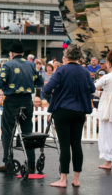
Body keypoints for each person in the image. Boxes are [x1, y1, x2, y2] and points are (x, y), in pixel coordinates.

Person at [42, 44, 96, 188]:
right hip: (79, 112)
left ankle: (63, 179)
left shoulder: (61, 70)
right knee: (76, 144)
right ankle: (76, 179)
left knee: (65, 145)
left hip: (62, 111)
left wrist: (55, 91)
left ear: (66, 56)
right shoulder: (85, 72)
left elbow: (46, 90)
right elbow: (92, 89)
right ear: (79, 57)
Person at [0, 41, 43, 173]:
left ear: (11, 53)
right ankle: (32, 164)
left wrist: (4, 88)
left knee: (7, 132)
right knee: (28, 133)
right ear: (23, 53)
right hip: (27, 100)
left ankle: (8, 162)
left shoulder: (7, 65)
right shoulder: (31, 65)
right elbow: (41, 81)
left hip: (12, 101)